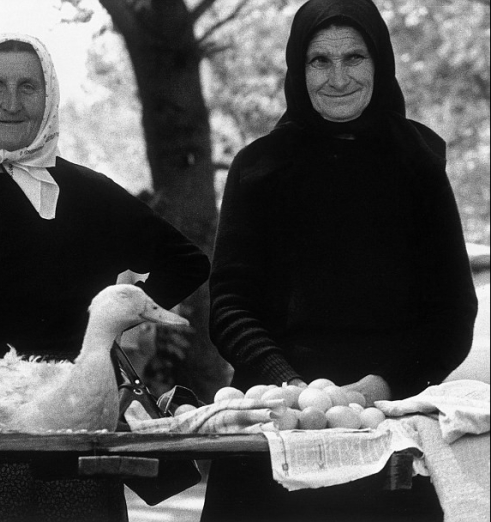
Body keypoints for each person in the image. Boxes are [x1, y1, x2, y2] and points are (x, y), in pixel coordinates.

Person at [0, 33, 210, 522]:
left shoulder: (87, 194)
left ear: (49, 95)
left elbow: (187, 260)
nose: (12, 103)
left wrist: (112, 321)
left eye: (28, 87)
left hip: (69, 411)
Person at [203, 0, 478, 520]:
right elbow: (231, 306)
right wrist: (292, 389)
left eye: (354, 58)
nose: (338, 77)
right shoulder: (259, 167)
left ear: (380, 62)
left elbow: (452, 313)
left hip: (388, 419)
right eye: (319, 61)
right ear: (297, 69)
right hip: (275, 420)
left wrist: (375, 387)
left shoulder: (419, 163)